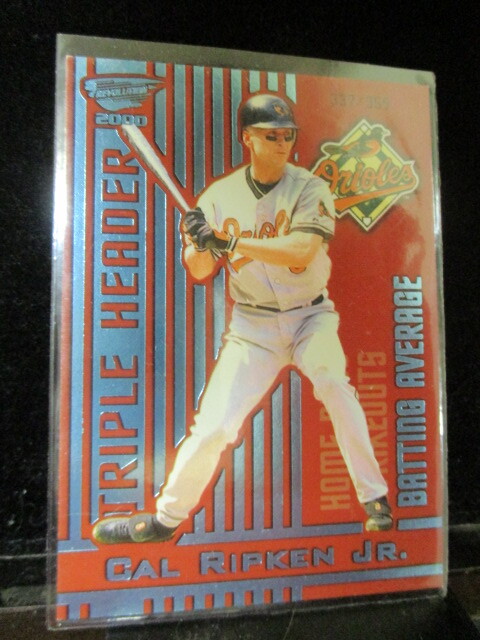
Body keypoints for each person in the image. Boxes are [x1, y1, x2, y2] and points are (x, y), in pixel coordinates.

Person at [93, 94, 393, 545]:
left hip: (311, 316)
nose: (282, 142)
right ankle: (165, 520)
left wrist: (228, 241)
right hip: (253, 329)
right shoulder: (219, 197)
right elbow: (199, 270)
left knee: (333, 381)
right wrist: (199, 243)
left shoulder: (310, 187)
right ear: (247, 138)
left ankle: (375, 498)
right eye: (271, 135)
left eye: (287, 134)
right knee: (214, 425)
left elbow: (301, 248)